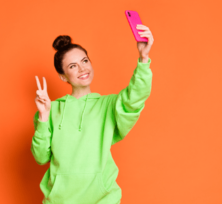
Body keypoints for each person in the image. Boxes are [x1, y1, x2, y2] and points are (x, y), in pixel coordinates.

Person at [31, 24, 154, 204]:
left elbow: (135, 97)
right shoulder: (51, 109)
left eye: (85, 61)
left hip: (103, 199)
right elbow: (40, 157)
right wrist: (43, 117)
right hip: (59, 200)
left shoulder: (108, 105)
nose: (82, 69)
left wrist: (144, 58)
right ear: (63, 76)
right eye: (73, 66)